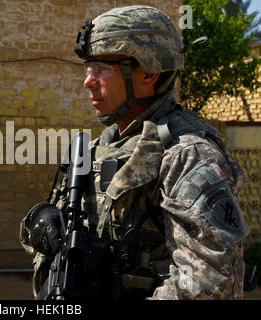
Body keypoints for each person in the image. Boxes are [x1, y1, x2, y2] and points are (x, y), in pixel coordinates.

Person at [20, 5, 250, 300]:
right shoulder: (95, 149)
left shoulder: (186, 156)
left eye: (101, 69)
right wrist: (40, 222)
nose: (87, 81)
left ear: (148, 74)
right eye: (88, 68)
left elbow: (210, 284)